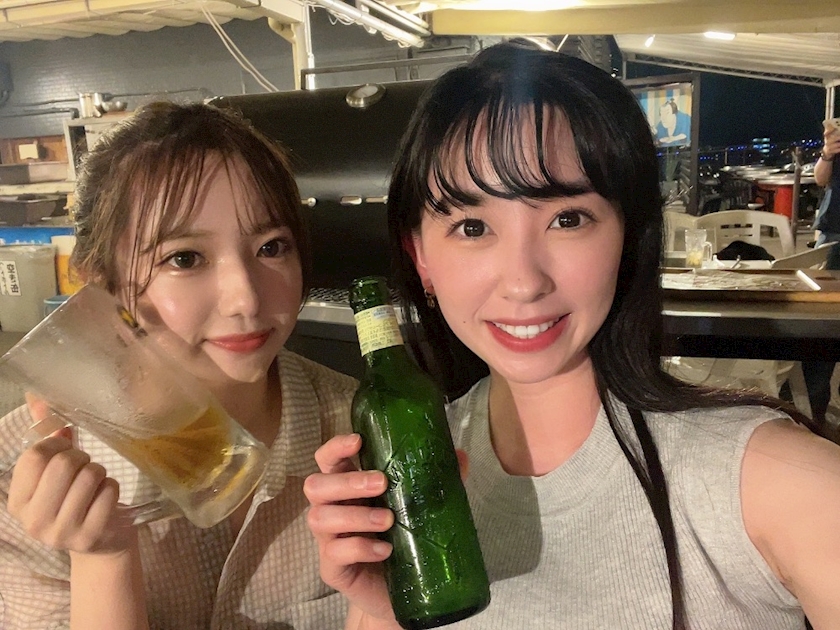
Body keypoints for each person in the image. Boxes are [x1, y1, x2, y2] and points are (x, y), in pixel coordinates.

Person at [304, 43, 840, 630]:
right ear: (421, 258)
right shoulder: (410, 486)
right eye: (472, 227)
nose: (523, 282)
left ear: (628, 237)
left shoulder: (774, 482)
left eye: (567, 219)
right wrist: (387, 609)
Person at [0, 102, 355, 629]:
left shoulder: (360, 430)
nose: (245, 299)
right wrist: (103, 559)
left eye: (271, 247)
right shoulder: (18, 480)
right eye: (184, 258)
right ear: (99, 282)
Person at [801, 120, 840, 431]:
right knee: (822, 321)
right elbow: (821, 179)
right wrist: (827, 152)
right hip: (834, 232)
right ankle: (814, 411)